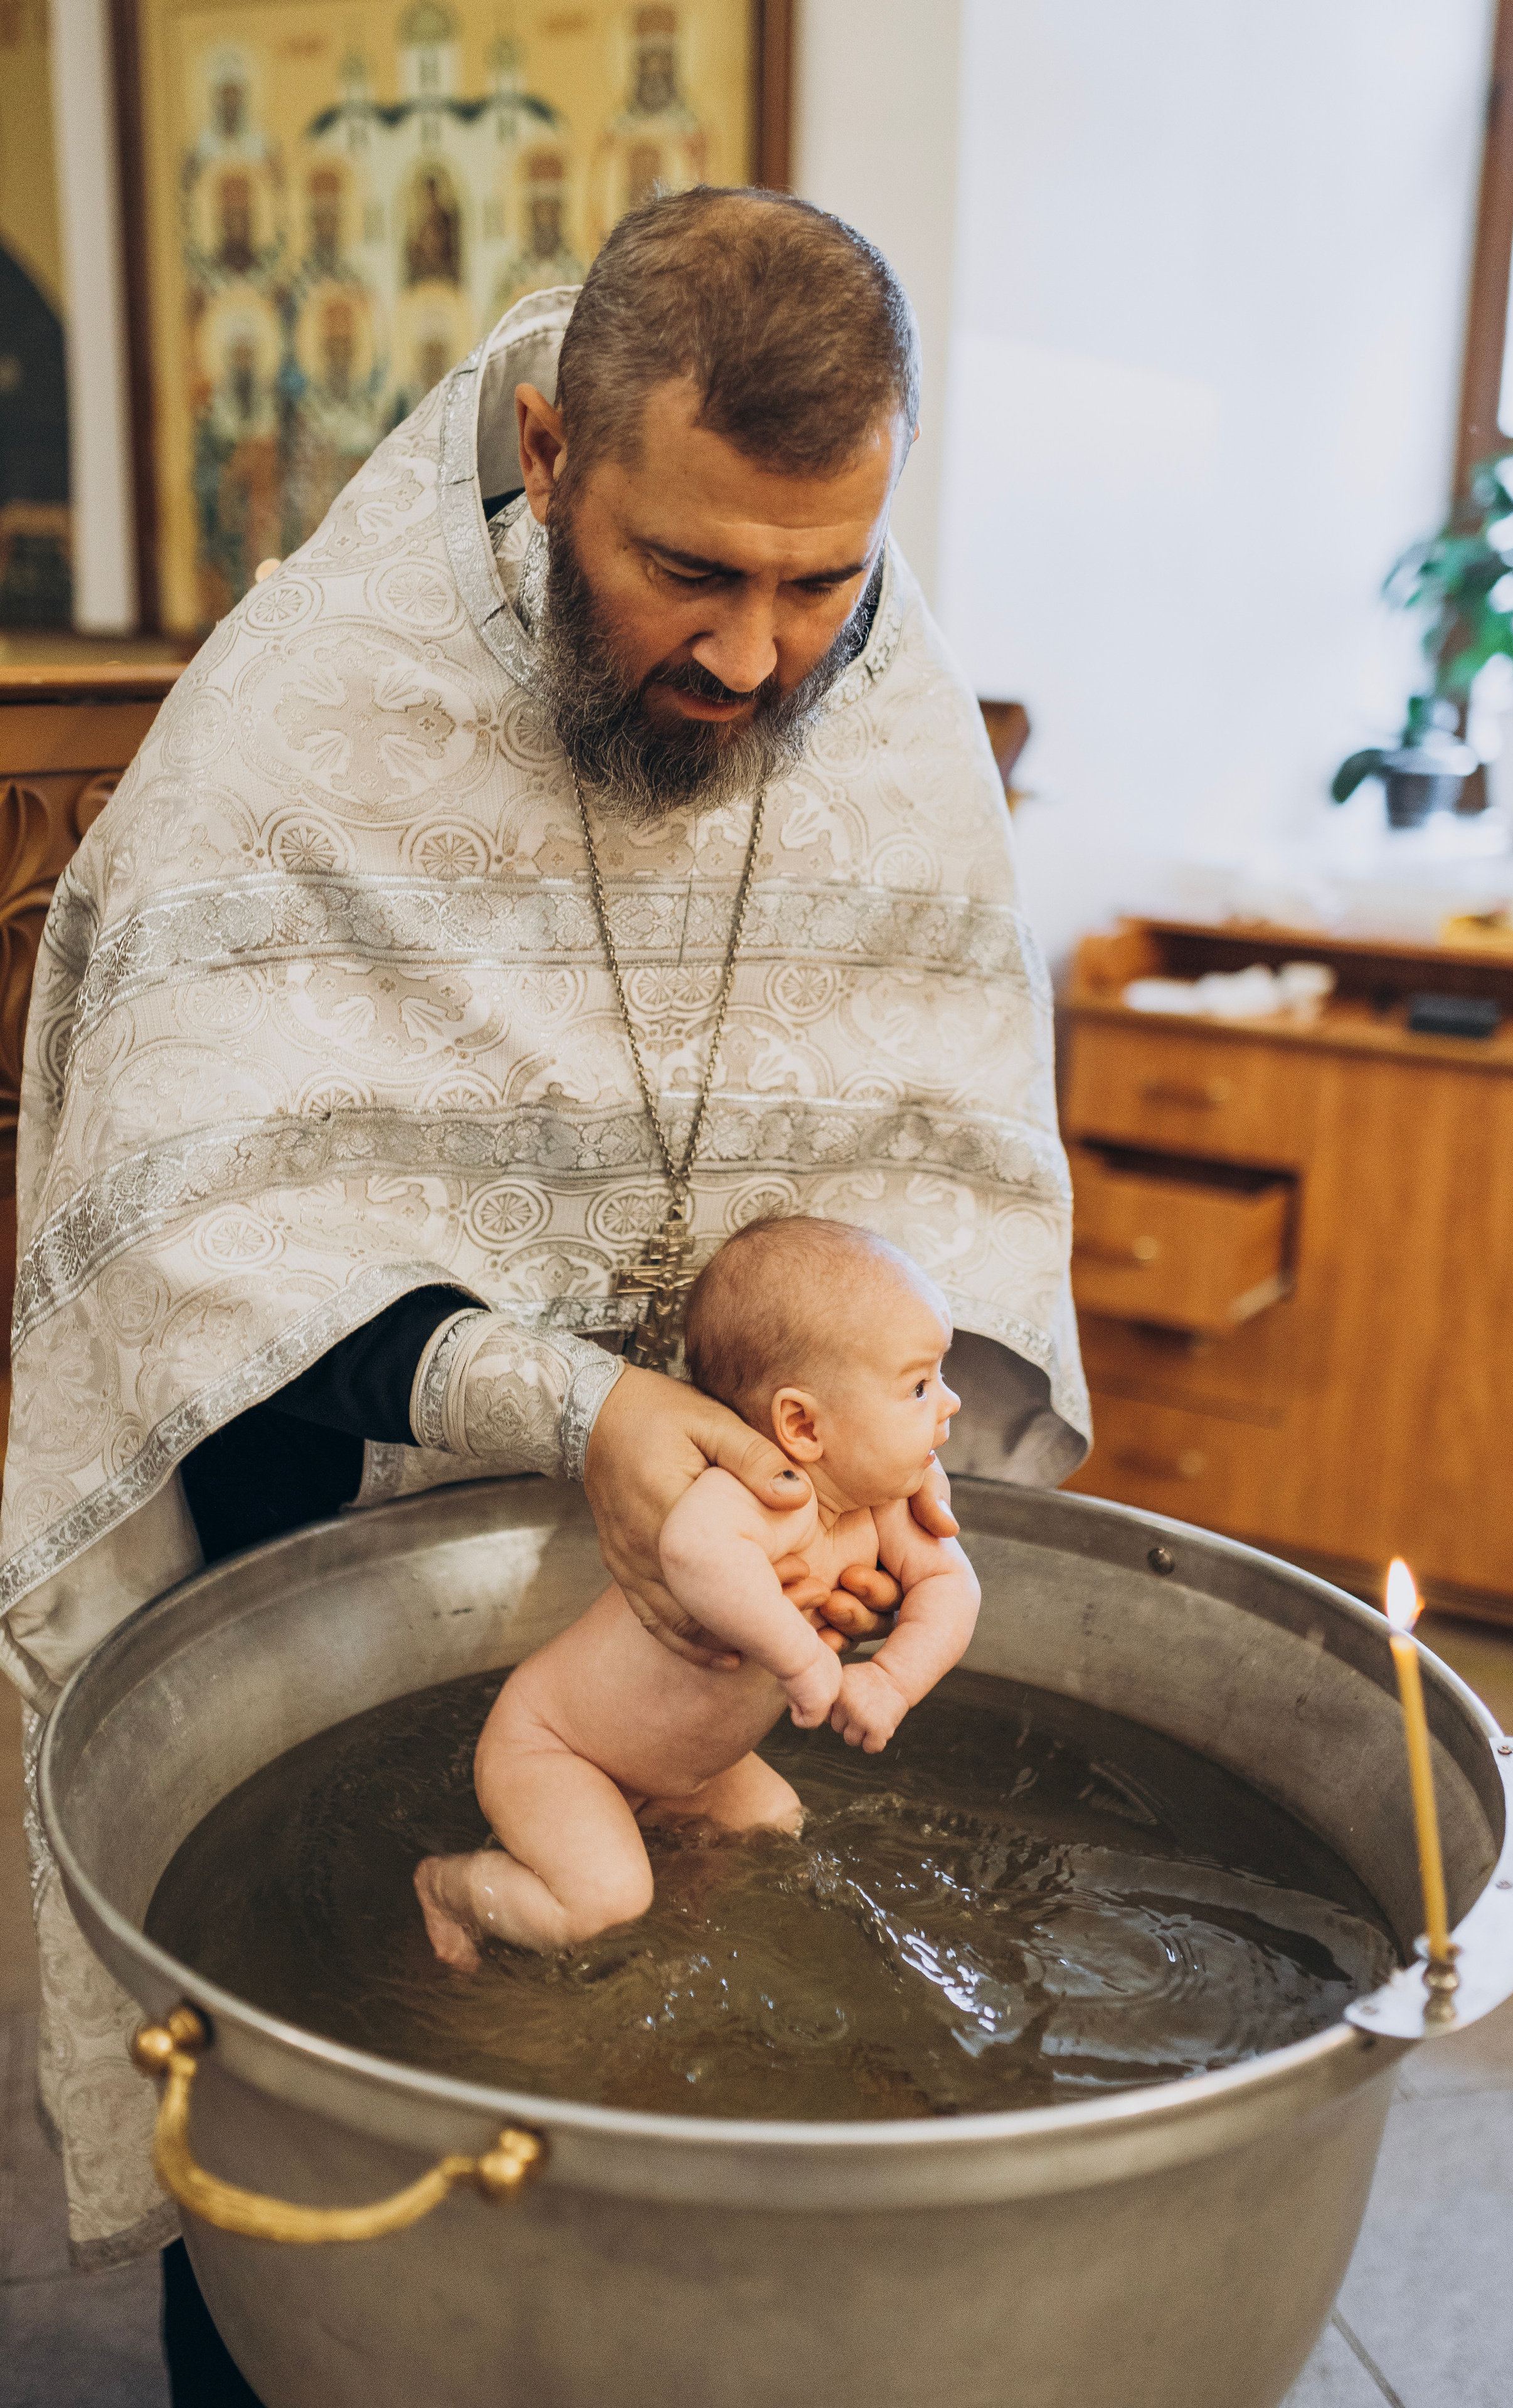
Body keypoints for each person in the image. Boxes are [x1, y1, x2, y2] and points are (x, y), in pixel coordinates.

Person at [0, 184, 1086, 2396]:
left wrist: (885, 1446)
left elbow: (955, 1180)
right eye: (688, 570)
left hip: (739, 1601)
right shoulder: (313, 702)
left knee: (695, 2177)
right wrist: (573, 1412)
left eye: (821, 579)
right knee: (338, 2192)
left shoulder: (889, 717)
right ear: (552, 446)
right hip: (351, 1563)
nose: (762, 656)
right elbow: (192, 1236)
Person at [415, 1217, 979, 1967]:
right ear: (802, 1424)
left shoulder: (887, 1500)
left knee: (775, 1823)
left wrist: (893, 1678)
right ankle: (452, 1886)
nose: (951, 1403)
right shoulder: (757, 1495)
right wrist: (803, 1663)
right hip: (559, 1749)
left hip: (688, 1770)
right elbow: (693, 1553)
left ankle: (686, 1943)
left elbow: (951, 1584)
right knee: (606, 1906)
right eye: (917, 1385)